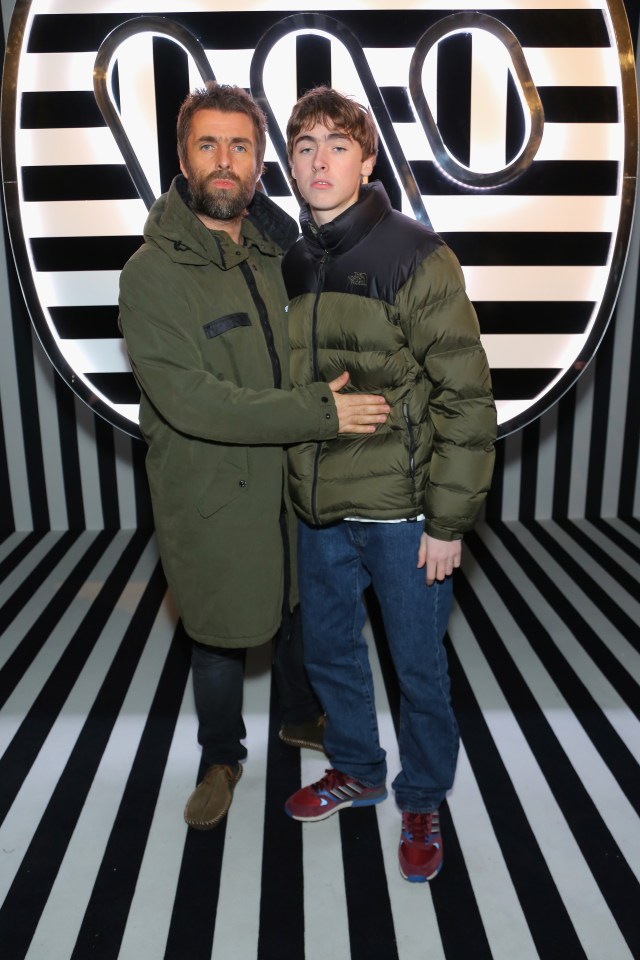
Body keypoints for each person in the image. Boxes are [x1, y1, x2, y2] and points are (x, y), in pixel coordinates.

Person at [118, 82, 390, 831]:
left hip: (289, 478)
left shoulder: (276, 252)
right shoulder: (152, 274)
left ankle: (303, 718)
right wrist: (318, 410)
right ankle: (220, 756)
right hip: (213, 490)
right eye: (209, 144)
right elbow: (195, 402)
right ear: (181, 157)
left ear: (259, 159)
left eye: (240, 145)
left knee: (303, 611)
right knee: (217, 631)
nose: (225, 160)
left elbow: (291, 352)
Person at [281, 87, 497, 882]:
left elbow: (467, 399)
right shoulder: (296, 259)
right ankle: (359, 770)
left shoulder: (416, 254)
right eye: (304, 147)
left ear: (367, 160)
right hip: (318, 506)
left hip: (405, 513)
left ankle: (423, 795)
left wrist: (449, 519)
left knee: (418, 664)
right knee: (332, 652)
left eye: (337, 145)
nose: (319, 161)